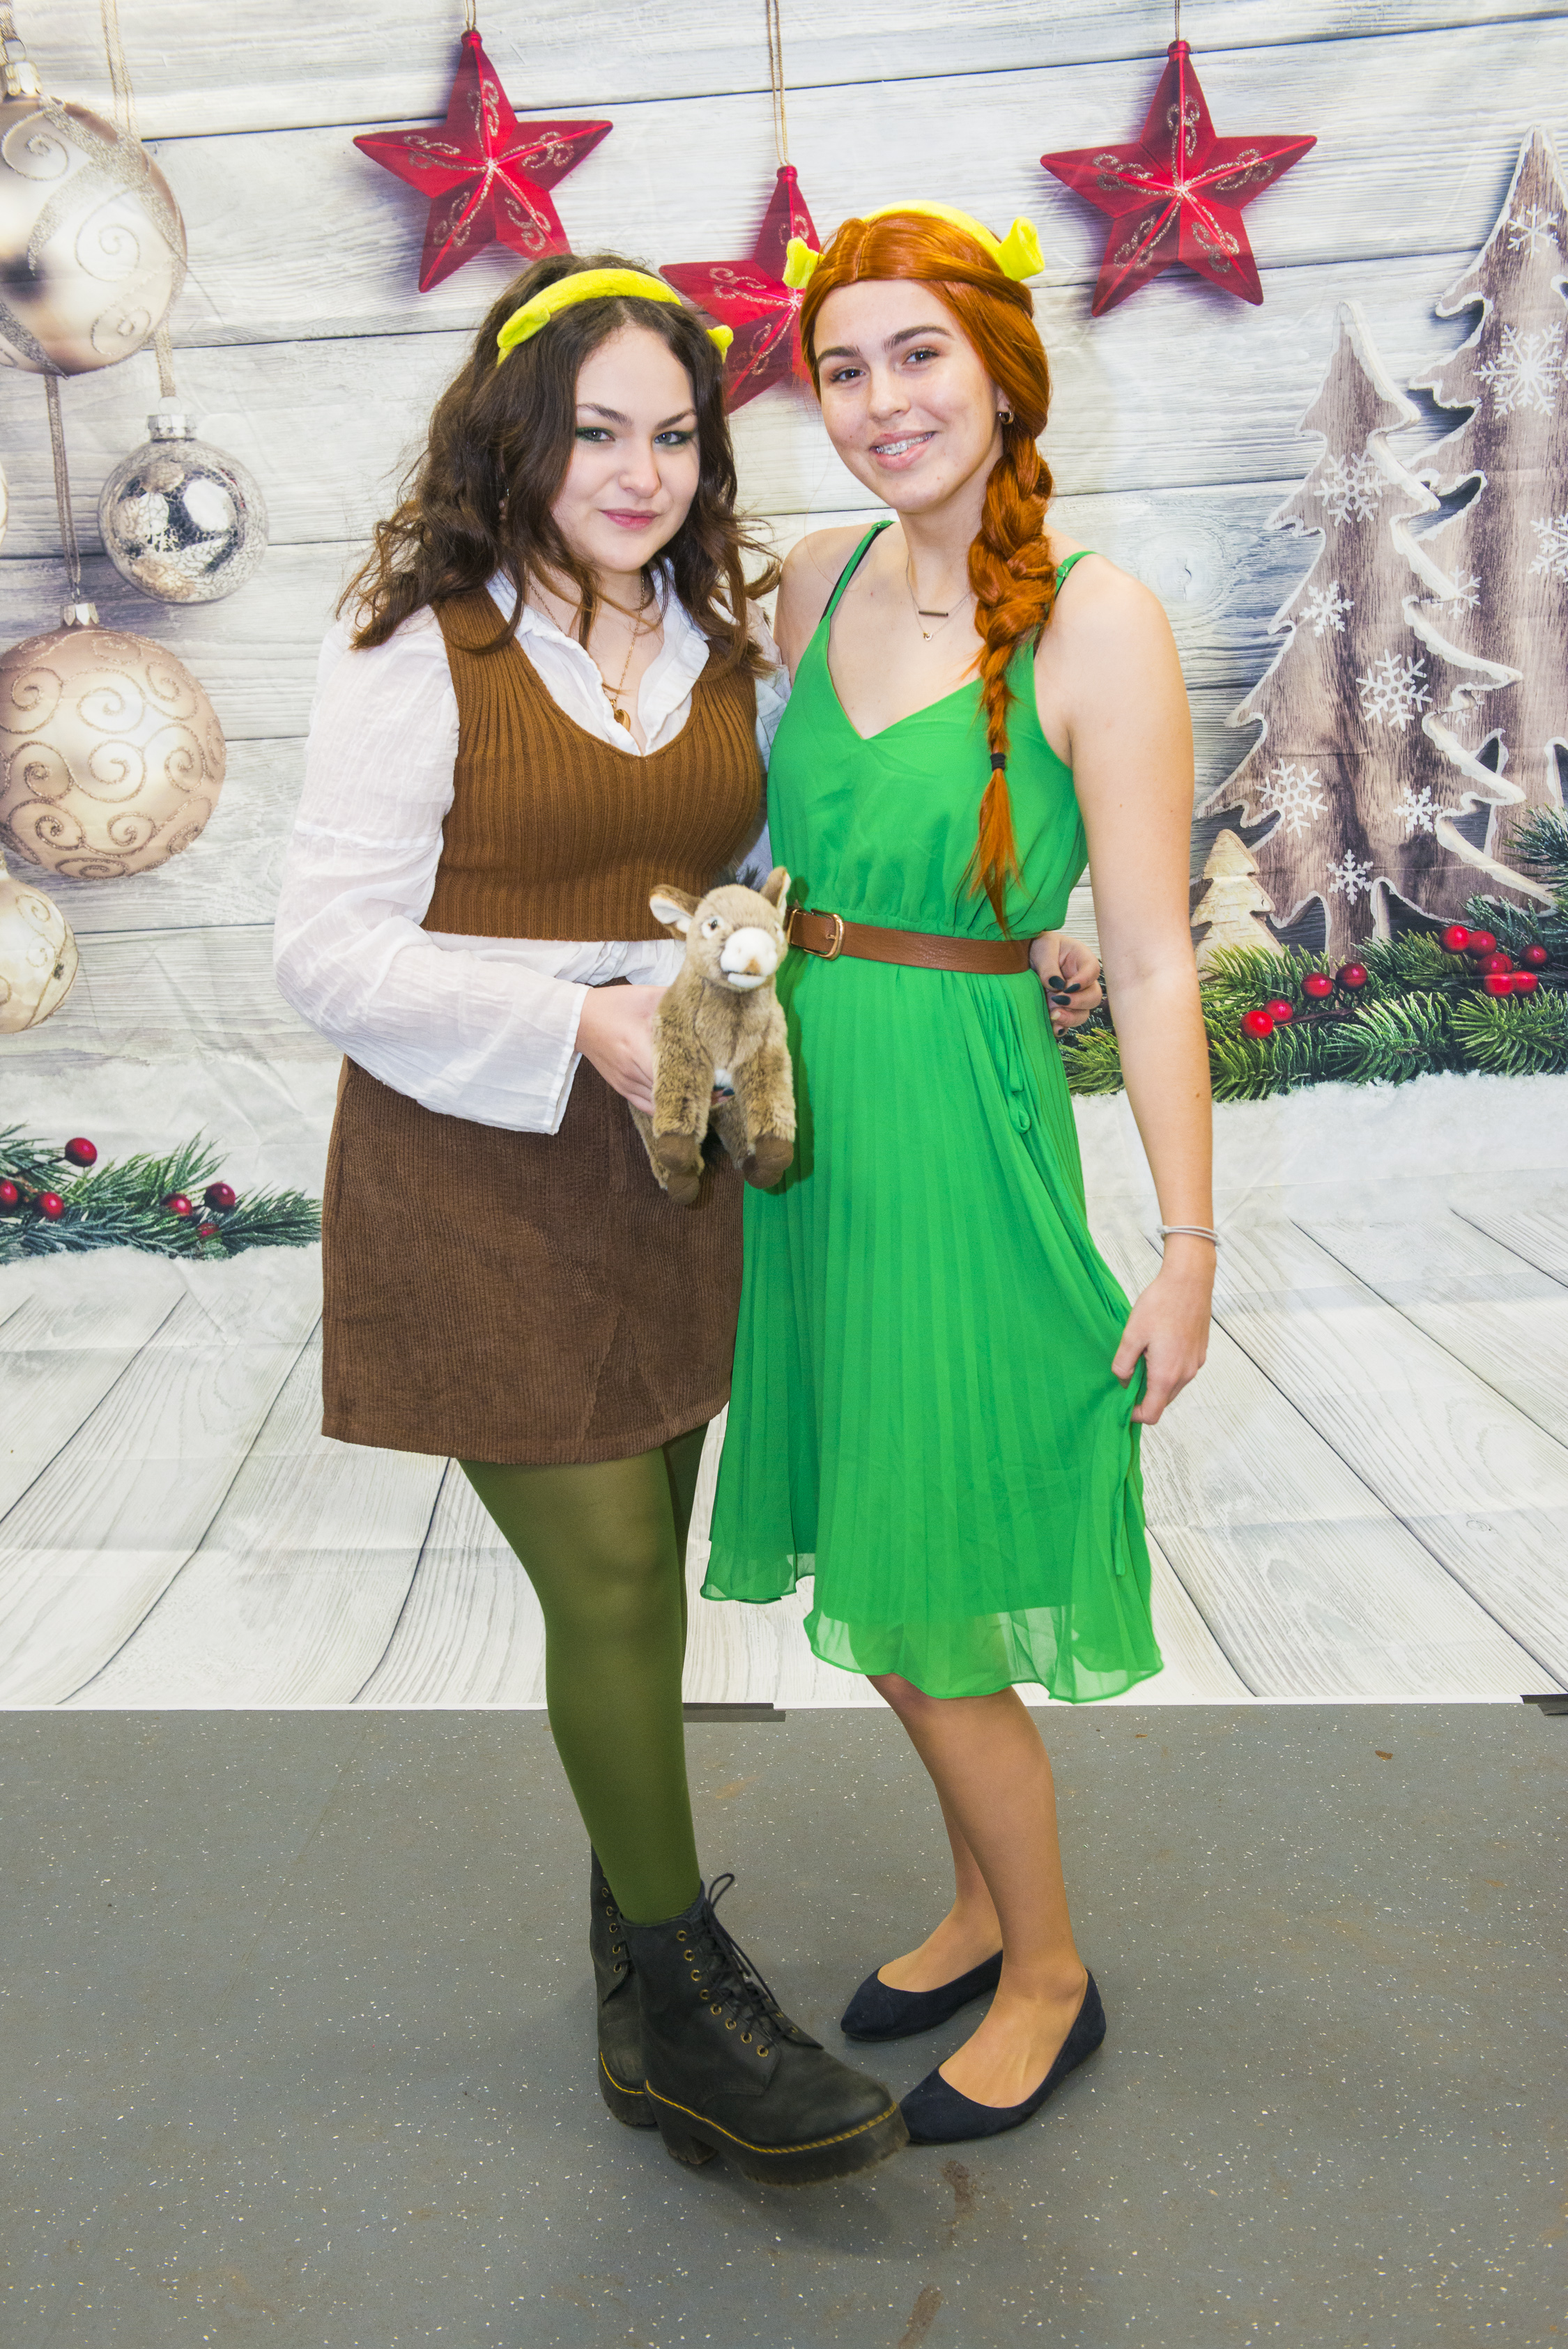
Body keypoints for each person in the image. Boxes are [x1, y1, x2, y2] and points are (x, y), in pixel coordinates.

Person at [272, 254, 918, 2187]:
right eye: (595, 433)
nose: (640, 474)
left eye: (675, 435)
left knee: (641, 1562)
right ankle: (686, 1998)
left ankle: (632, 1967)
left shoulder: (726, 644)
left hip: (671, 1166)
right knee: (617, 1581)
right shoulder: (423, 648)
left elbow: (763, 875)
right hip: (476, 1168)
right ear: (514, 437)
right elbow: (325, 949)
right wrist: (578, 1023)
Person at [704, 204, 1215, 2148]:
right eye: (842, 368)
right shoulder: (813, 577)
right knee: (884, 1544)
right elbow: (769, 839)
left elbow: (1147, 955)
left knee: (926, 1604)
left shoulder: (1096, 620)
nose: (879, 401)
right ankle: (985, 1902)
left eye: (917, 354)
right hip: (812, 1137)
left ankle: (1052, 1975)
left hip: (957, 1134)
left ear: (1001, 370)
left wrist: (1186, 1243)